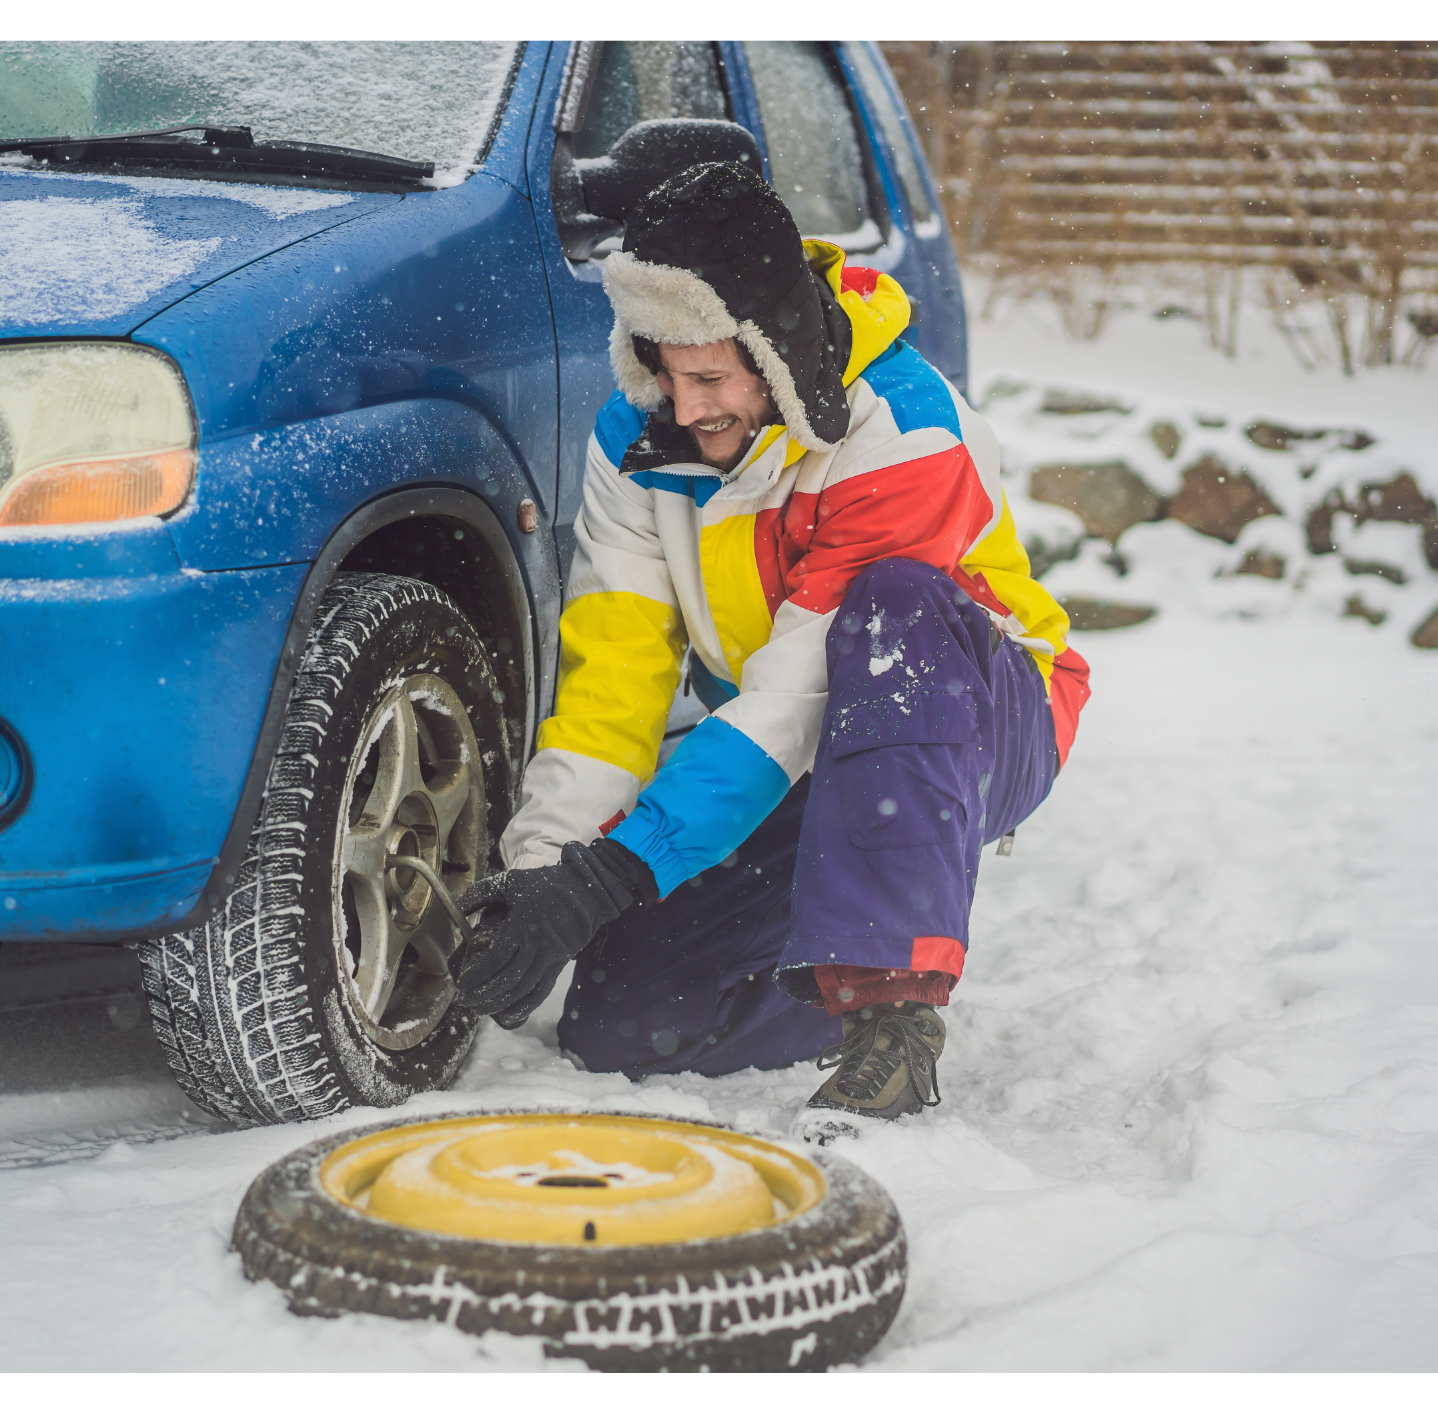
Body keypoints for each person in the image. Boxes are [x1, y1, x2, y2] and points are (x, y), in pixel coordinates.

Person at [453, 161, 1089, 1127]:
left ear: (777, 352)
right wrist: (551, 871)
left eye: (711, 377)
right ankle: (835, 975)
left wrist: (619, 872)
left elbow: (795, 694)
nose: (688, 404)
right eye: (665, 374)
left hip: (975, 714)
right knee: (623, 1027)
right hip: (792, 747)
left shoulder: (906, 433)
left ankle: (891, 1013)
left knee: (896, 607)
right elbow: (613, 674)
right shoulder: (640, 438)